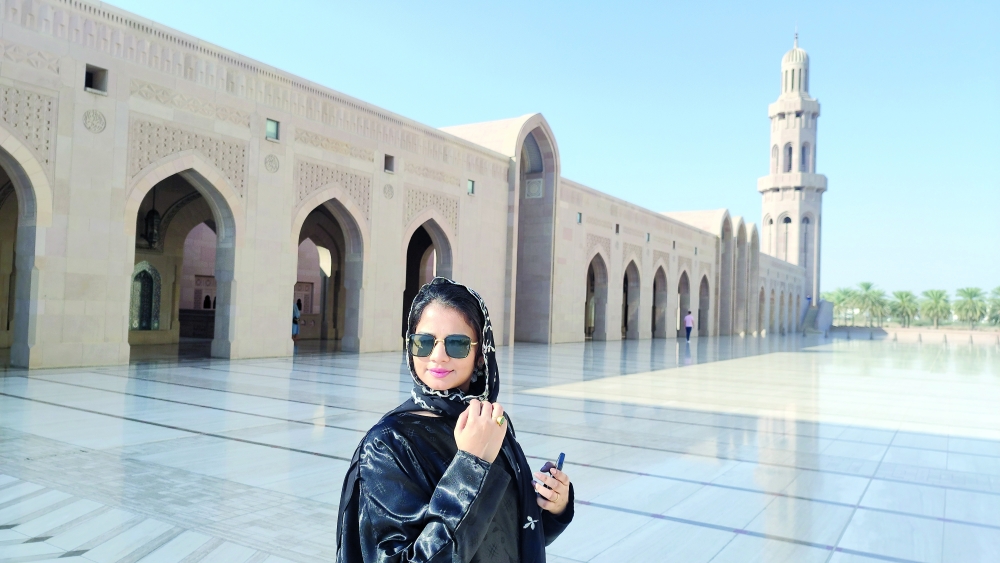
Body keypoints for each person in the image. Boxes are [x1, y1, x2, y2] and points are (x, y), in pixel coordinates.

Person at [337, 277, 574, 562]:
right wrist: (472, 466)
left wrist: (553, 506)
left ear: (480, 354)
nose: (437, 356)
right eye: (423, 342)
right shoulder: (390, 443)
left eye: (457, 344)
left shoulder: (490, 421)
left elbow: (508, 534)